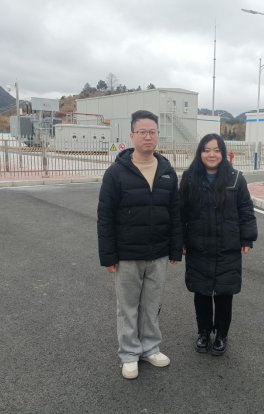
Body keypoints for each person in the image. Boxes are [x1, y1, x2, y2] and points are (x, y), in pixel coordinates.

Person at [97, 110, 183, 379]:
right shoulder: (116, 173)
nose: (148, 137)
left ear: (158, 135)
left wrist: (175, 248)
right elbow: (105, 216)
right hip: (127, 254)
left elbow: (175, 213)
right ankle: (129, 353)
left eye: (152, 132)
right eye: (142, 132)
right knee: (127, 307)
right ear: (132, 135)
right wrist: (108, 255)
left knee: (151, 305)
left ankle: (150, 348)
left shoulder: (167, 172)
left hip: (158, 253)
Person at [179, 134, 257, 356]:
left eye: (216, 150)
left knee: (224, 293)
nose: (211, 155)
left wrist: (247, 238)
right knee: (201, 293)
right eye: (206, 150)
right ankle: (203, 332)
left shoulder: (236, 179)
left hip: (227, 247)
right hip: (198, 246)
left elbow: (246, 210)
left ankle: (222, 334)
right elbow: (180, 213)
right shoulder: (189, 178)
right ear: (200, 153)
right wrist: (180, 240)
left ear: (223, 153)